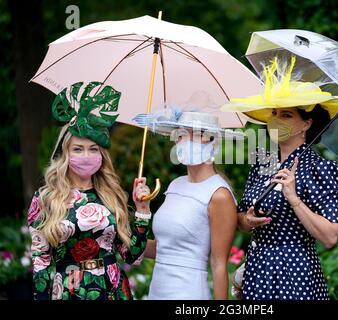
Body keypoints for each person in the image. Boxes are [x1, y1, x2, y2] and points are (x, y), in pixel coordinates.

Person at [221, 57, 338, 300]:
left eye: (285, 115)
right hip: (258, 271)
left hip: (296, 274)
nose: (275, 120)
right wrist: (248, 220)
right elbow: (240, 219)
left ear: (306, 124)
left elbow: (330, 237)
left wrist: (294, 199)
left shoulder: (319, 168)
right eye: (274, 113)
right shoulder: (262, 163)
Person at [27, 82, 154, 300]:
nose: (86, 156)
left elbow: (131, 255)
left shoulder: (111, 195)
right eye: (78, 149)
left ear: (102, 154)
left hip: (112, 289)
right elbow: (41, 259)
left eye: (93, 149)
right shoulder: (46, 198)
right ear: (65, 153)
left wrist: (143, 211)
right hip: (69, 290)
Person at [134, 109, 241, 299]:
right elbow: (165, 249)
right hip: (156, 292)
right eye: (181, 135)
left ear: (213, 143)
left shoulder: (219, 195)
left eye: (196, 135)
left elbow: (218, 263)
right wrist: (119, 235)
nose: (185, 141)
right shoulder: (176, 184)